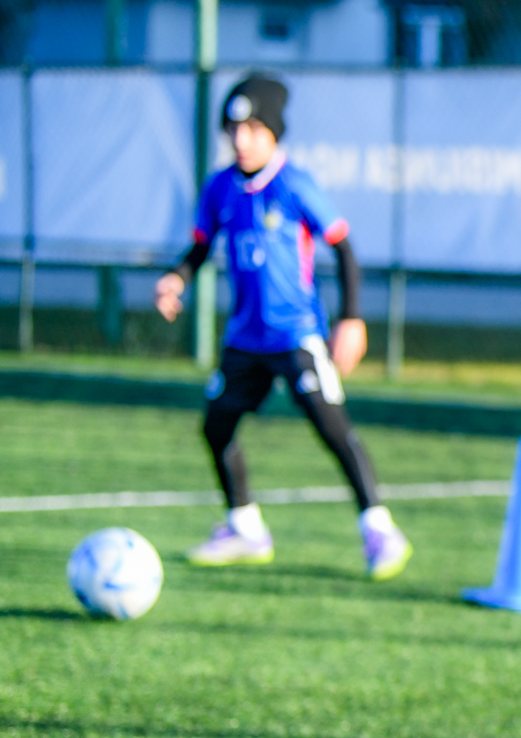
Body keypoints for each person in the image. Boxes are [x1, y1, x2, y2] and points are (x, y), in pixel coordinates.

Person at [152, 74, 411, 581]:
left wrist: (351, 320)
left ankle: (379, 529)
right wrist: (177, 277)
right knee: (216, 426)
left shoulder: (296, 185)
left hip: (297, 335)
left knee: (331, 426)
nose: (241, 139)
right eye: (233, 129)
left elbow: (344, 248)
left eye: (252, 128)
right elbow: (202, 246)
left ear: (273, 132)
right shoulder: (221, 188)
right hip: (245, 339)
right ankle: (245, 528)